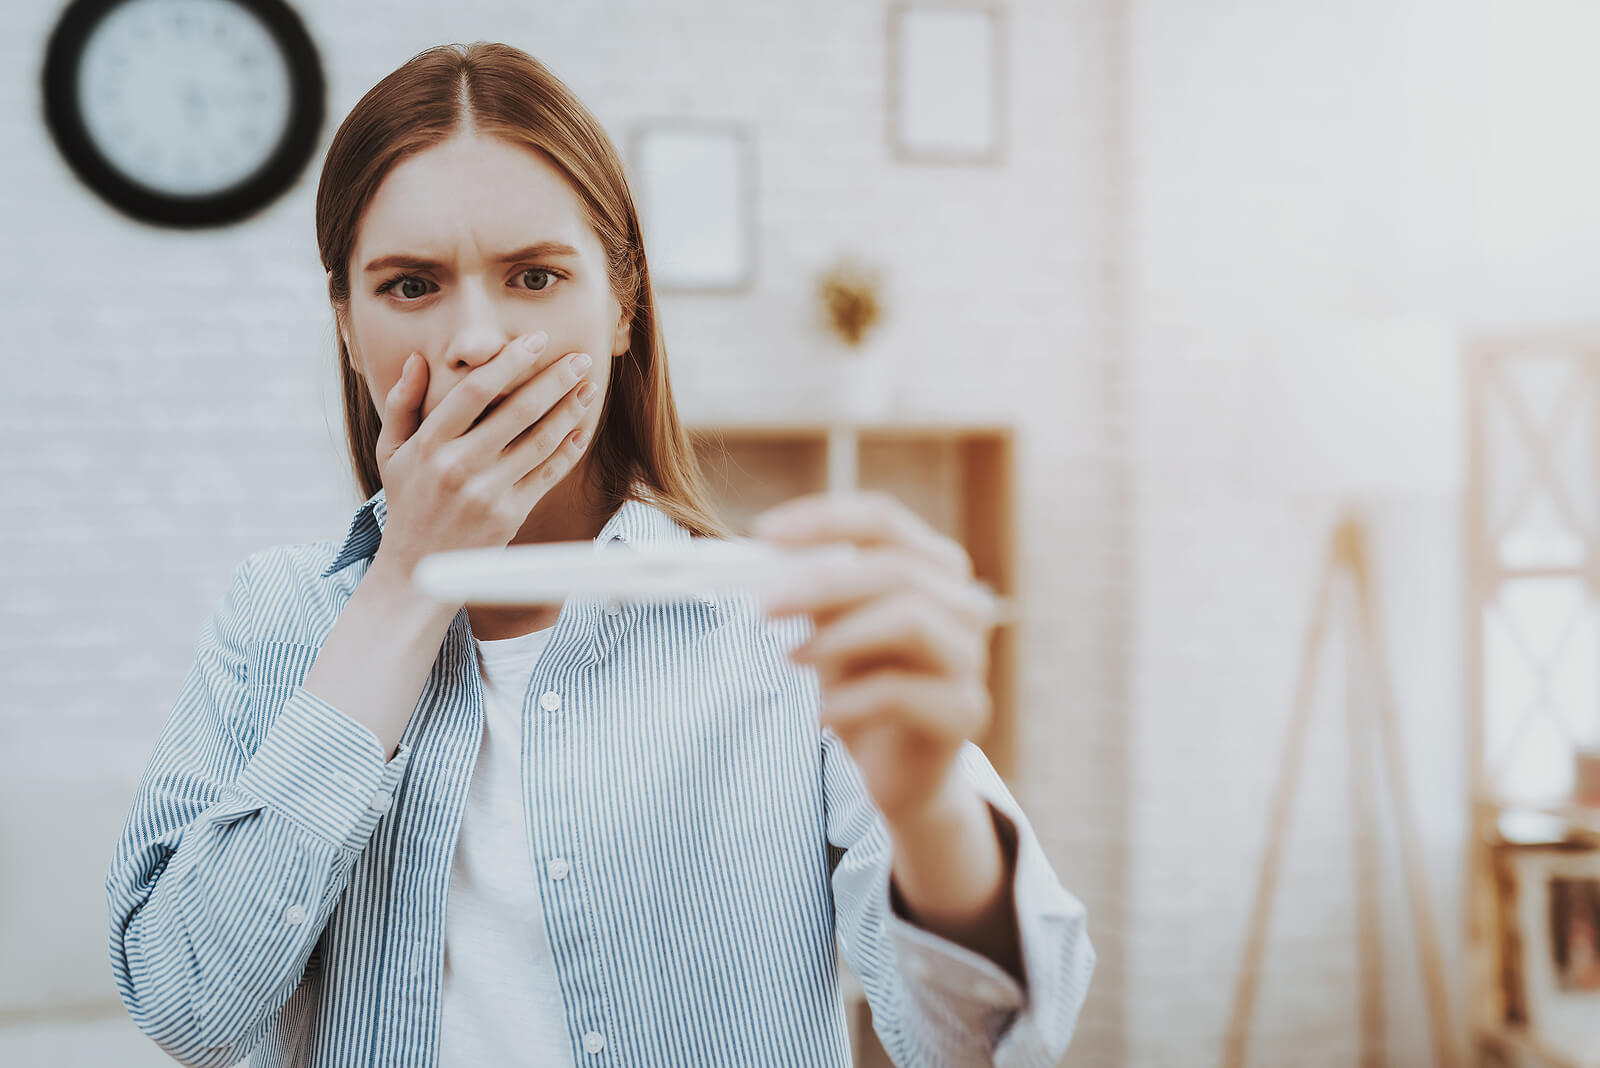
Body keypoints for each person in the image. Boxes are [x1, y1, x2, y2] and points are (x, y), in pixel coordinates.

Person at [105, 41, 1093, 1068]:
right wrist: (403, 585)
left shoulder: (783, 624)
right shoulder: (274, 616)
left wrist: (928, 810)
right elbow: (187, 1010)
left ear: (623, 306)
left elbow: (995, 1043)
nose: (475, 341)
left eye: (535, 276)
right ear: (348, 328)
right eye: (411, 285)